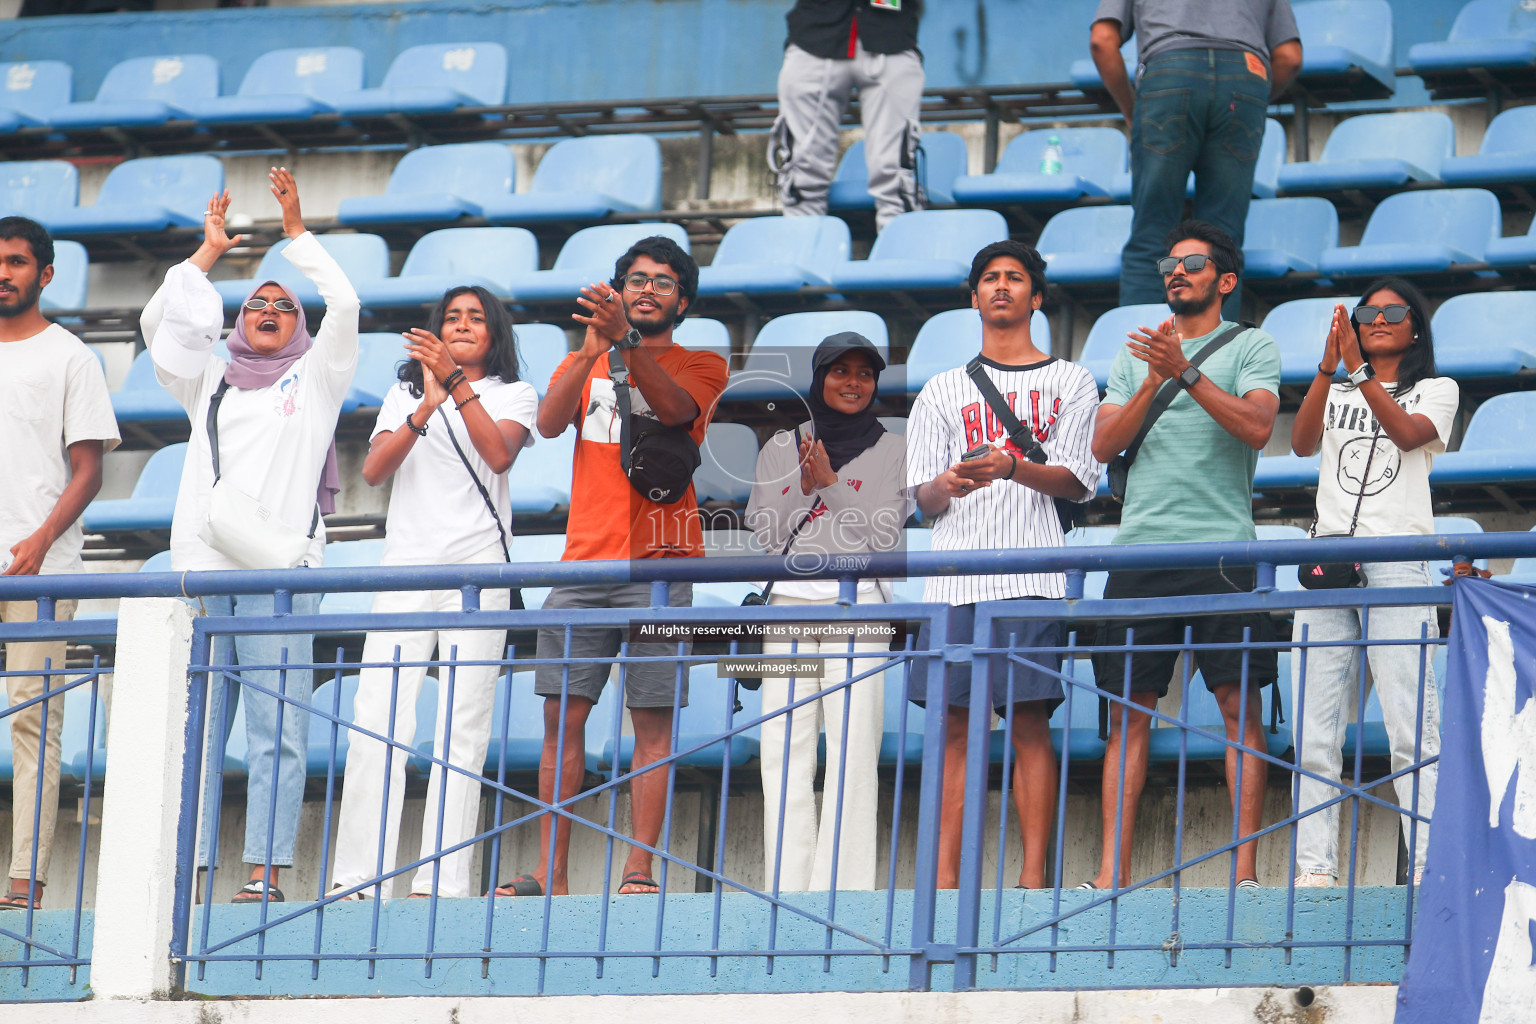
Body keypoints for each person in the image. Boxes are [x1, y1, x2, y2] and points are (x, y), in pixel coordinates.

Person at [146, 170, 358, 904]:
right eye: (257, 301)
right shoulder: (211, 378)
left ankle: (265, 873)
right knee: (198, 733)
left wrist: (296, 234)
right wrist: (204, 258)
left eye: (283, 304)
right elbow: (159, 328)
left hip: (280, 572)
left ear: (299, 325)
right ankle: (189, 872)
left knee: (278, 727)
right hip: (205, 570)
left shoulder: (319, 378)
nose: (269, 308)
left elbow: (349, 303)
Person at [492, 236, 727, 898]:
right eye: (634, 278)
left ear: (684, 299)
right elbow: (545, 421)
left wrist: (624, 347)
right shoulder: (586, 357)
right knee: (560, 722)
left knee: (651, 723)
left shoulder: (702, 363)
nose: (646, 288)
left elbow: (679, 413)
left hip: (662, 564)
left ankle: (639, 870)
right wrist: (596, 347)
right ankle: (552, 872)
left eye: (662, 281)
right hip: (581, 567)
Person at [1087, 220, 1281, 891]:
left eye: (1192, 264)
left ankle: (1246, 875)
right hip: (1140, 552)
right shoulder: (1133, 353)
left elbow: (1257, 426)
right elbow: (1102, 447)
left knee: (1238, 709)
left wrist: (1186, 371)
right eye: (1169, 264)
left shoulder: (1253, 345)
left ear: (1224, 280)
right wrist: (1151, 381)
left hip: (1224, 552)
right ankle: (1111, 874)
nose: (1176, 272)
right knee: (1127, 715)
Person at [329, 286, 536, 901]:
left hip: (478, 577)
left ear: (494, 334)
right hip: (406, 570)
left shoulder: (514, 393)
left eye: (476, 318)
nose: (464, 325)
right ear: (436, 330)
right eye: (452, 318)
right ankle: (359, 879)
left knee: (462, 727)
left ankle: (440, 882)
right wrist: (429, 403)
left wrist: (458, 388)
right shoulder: (404, 394)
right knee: (375, 720)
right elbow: (372, 469)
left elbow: (497, 455)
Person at [906, 240, 1100, 889]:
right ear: (974, 295)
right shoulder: (942, 389)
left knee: (1027, 725)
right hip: (955, 576)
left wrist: (1013, 465)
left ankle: (1033, 878)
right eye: (989, 277)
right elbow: (920, 498)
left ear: (1036, 296)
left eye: (1015, 277)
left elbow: (1077, 481)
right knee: (954, 730)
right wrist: (950, 483)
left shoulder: (1071, 380)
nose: (1001, 287)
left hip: (1033, 576)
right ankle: (944, 880)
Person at [1288, 279, 1452, 889]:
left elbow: (1410, 436)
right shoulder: (1338, 383)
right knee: (1315, 732)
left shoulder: (1436, 389)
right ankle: (1314, 872)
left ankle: (1428, 872)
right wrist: (1329, 371)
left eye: (1392, 312)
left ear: (1415, 327)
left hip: (1399, 562)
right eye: (1367, 313)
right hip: (1329, 560)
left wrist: (1359, 374)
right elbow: (1303, 442)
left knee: (1411, 731)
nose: (1378, 319)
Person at [745, 331, 910, 892]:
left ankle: (845, 891)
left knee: (853, 752)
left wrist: (832, 487)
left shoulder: (895, 449)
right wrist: (804, 486)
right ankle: (786, 889)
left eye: (865, 374)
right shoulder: (780, 446)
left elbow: (883, 541)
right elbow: (767, 533)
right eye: (840, 372)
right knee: (782, 749)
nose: (853, 383)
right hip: (789, 610)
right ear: (819, 379)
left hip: (860, 611)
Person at [0, 216, 119, 911]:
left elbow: (89, 470)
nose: (3, 273)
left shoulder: (72, 357)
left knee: (33, 721)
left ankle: (24, 884)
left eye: (16, 262)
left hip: (39, 569)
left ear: (44, 274)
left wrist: (41, 541)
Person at [1090, 0, 1302, 319]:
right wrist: (1250, 101)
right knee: (1223, 241)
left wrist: (1133, 109)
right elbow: (1289, 56)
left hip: (1169, 70)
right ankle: (1218, 361)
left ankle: (1141, 359)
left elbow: (1102, 40)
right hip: (1245, 74)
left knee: (1153, 233)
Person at [770, 0, 925, 230]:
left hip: (892, 37)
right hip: (814, 37)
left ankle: (900, 257)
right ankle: (802, 255)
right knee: (801, 175)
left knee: (896, 176)